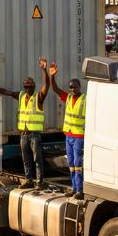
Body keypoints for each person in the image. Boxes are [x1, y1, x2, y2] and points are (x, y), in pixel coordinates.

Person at [0, 58, 50, 189]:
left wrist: (44, 70)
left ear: (34, 86)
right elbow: (5, 91)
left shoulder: (38, 97)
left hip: (34, 135)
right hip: (23, 135)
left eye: (30, 86)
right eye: (25, 86)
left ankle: (39, 182)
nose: (27, 88)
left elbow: (46, 85)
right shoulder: (21, 96)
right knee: (26, 159)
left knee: (37, 159)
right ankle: (29, 180)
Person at [46, 62, 85, 200]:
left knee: (78, 164)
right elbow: (55, 88)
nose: (72, 89)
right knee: (71, 164)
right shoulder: (68, 97)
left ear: (79, 87)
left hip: (79, 136)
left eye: (74, 87)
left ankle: (79, 189)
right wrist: (52, 76)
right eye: (70, 87)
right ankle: (74, 188)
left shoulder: (84, 100)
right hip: (68, 135)